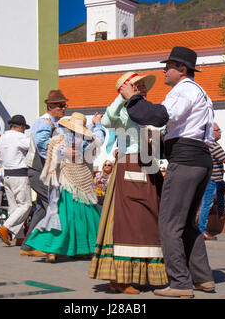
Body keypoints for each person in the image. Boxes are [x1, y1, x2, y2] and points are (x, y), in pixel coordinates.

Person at [119, 47, 215, 298]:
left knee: (170, 223)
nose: (165, 69)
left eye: (169, 66)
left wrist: (132, 99)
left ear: (182, 70)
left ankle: (180, 283)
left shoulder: (183, 90)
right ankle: (203, 279)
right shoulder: (201, 92)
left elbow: (160, 116)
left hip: (186, 160)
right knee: (186, 223)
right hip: (200, 158)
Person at [88, 71, 168, 295]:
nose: (142, 87)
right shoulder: (123, 110)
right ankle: (122, 277)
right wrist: (122, 98)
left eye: (142, 84)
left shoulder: (146, 107)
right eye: (136, 84)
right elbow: (105, 120)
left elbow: (157, 131)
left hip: (147, 164)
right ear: (126, 88)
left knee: (145, 220)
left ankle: (138, 274)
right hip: (130, 164)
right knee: (129, 221)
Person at [25, 112, 105, 263]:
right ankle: (85, 249)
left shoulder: (59, 141)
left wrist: (47, 128)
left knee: (62, 217)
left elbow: (42, 144)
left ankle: (53, 250)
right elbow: (100, 138)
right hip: (83, 185)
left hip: (66, 183)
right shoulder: (89, 141)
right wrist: (98, 124)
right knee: (84, 218)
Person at [20, 90, 69, 257]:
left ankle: (27, 247)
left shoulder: (56, 123)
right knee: (53, 207)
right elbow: (43, 147)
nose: (64, 108)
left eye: (65, 105)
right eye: (60, 105)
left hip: (45, 171)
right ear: (50, 106)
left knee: (41, 208)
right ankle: (49, 246)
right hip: (40, 171)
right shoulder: (44, 122)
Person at [0, 115, 31, 246]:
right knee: (26, 205)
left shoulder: (2, 138)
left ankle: (19, 236)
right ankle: (6, 227)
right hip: (19, 174)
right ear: (21, 127)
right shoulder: (20, 137)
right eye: (24, 128)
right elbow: (33, 147)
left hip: (7, 174)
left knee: (14, 207)